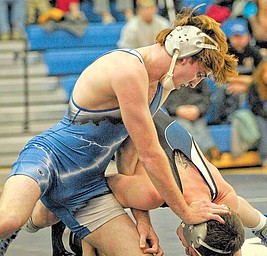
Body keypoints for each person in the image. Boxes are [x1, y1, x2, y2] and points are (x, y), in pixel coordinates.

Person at [0, 6, 238, 256]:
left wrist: (142, 221)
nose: (195, 83)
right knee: (10, 220)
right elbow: (151, 155)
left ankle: (42, 218)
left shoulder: (160, 86)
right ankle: (19, 220)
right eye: (200, 74)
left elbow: (130, 153)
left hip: (87, 186)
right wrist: (186, 213)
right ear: (183, 56)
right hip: (49, 160)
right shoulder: (128, 70)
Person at [48, 109, 267, 256]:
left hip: (145, 114)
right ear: (193, 233)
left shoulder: (219, 192)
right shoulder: (150, 192)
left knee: (231, 207)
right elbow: (89, 188)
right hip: (90, 126)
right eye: (191, 253)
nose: (186, 253)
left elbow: (230, 237)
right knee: (44, 216)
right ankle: (20, 222)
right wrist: (139, 223)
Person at [163, 79, 221, 162]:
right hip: (175, 115)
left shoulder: (199, 77)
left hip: (196, 113)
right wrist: (176, 110)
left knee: (201, 127)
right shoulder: (168, 78)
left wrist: (198, 109)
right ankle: (204, 151)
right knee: (186, 127)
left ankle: (206, 152)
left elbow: (206, 97)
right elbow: (162, 101)